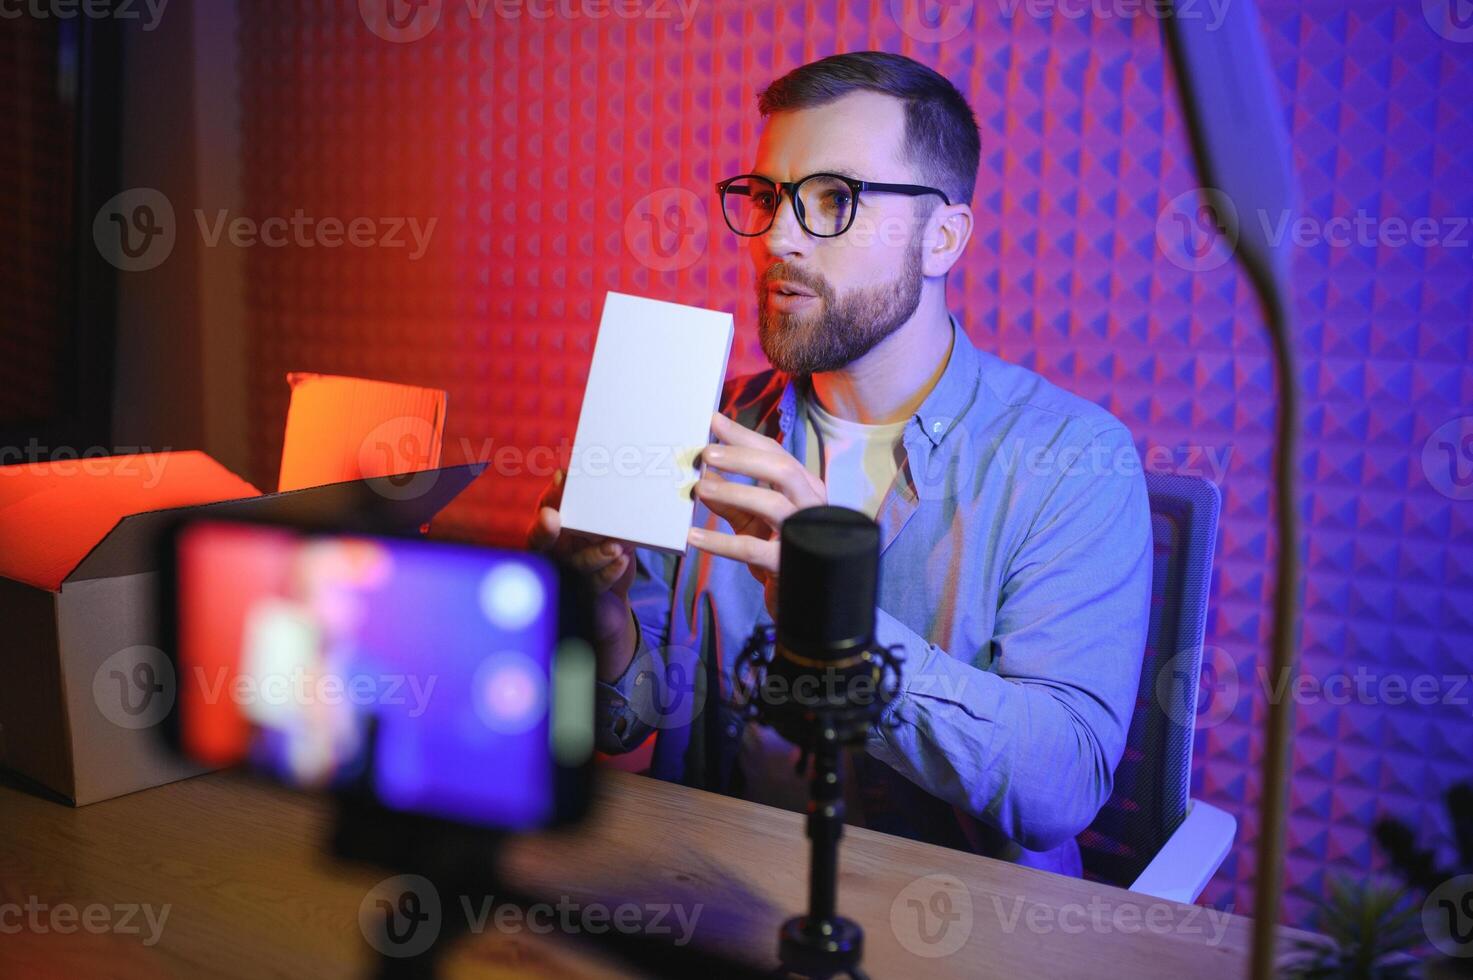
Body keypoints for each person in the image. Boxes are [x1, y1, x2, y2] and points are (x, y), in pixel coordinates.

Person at [528, 51, 1151, 876]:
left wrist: (841, 630)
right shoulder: (698, 421)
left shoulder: (1072, 460)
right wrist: (597, 619)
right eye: (766, 197)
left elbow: (1060, 788)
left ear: (942, 238)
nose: (778, 238)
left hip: (950, 932)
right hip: (715, 896)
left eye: (834, 199)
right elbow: (631, 716)